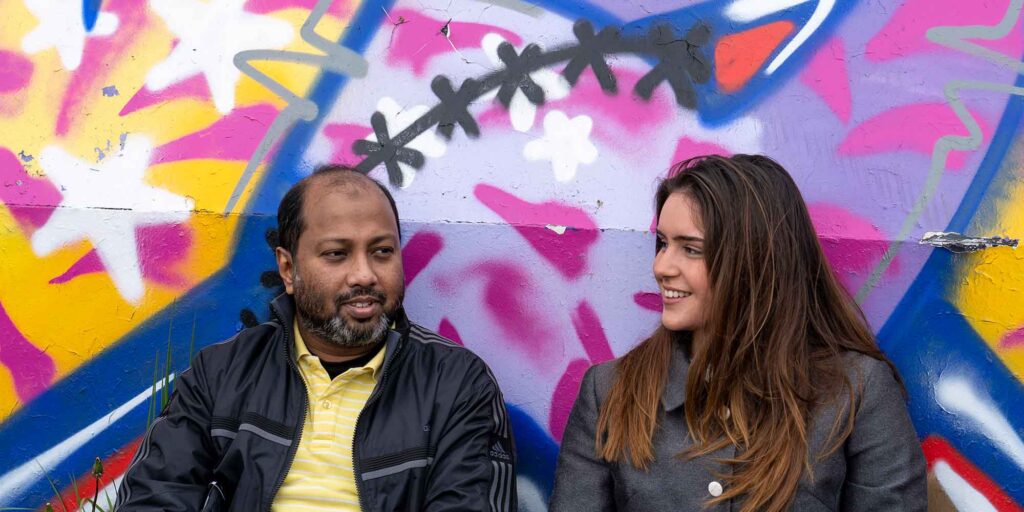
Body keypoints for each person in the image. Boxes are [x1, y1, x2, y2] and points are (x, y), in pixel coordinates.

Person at [115, 165, 516, 511]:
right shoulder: (221, 374)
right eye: (337, 254)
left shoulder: (456, 384)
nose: (364, 275)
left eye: (381, 252)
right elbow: (154, 497)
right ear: (288, 270)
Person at [549, 155, 926, 511]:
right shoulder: (610, 391)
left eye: (690, 249)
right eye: (663, 244)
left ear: (754, 261)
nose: (662, 266)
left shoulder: (855, 393)